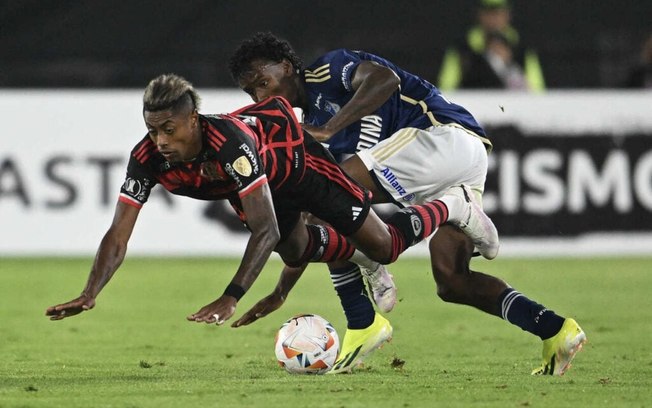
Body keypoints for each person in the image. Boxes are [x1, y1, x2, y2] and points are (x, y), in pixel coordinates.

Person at [227, 32, 586, 376]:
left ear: (286, 66)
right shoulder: (312, 124)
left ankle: (363, 319)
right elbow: (313, 221)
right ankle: (555, 330)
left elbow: (384, 80)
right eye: (250, 91)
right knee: (452, 280)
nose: (259, 96)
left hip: (443, 137)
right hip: (448, 169)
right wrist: (281, 290)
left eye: (262, 82)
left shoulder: (326, 70)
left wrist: (331, 129)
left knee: (331, 195)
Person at [45, 74, 498, 339]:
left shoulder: (230, 144)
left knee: (386, 246)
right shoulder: (147, 157)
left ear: (193, 120)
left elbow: (262, 229)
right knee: (296, 249)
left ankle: (454, 206)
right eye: (152, 130)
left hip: (306, 169)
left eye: (169, 129)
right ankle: (357, 255)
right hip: (266, 183)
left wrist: (231, 295)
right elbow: (118, 233)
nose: (161, 141)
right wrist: (91, 292)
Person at [437, 0, 545, 92]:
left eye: (498, 13)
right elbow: (446, 89)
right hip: (472, 110)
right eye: (489, 13)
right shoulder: (461, 49)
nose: (494, 19)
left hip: (513, 112)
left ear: (507, 15)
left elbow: (536, 92)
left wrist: (508, 65)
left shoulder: (522, 48)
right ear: (480, 15)